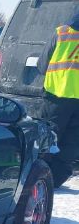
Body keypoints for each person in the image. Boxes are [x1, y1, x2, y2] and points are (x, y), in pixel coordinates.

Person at [38, 10, 79, 187]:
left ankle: (38, 178)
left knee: (46, 140)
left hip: (56, 97)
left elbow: (42, 65)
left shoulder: (62, 33)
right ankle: (55, 180)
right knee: (71, 143)